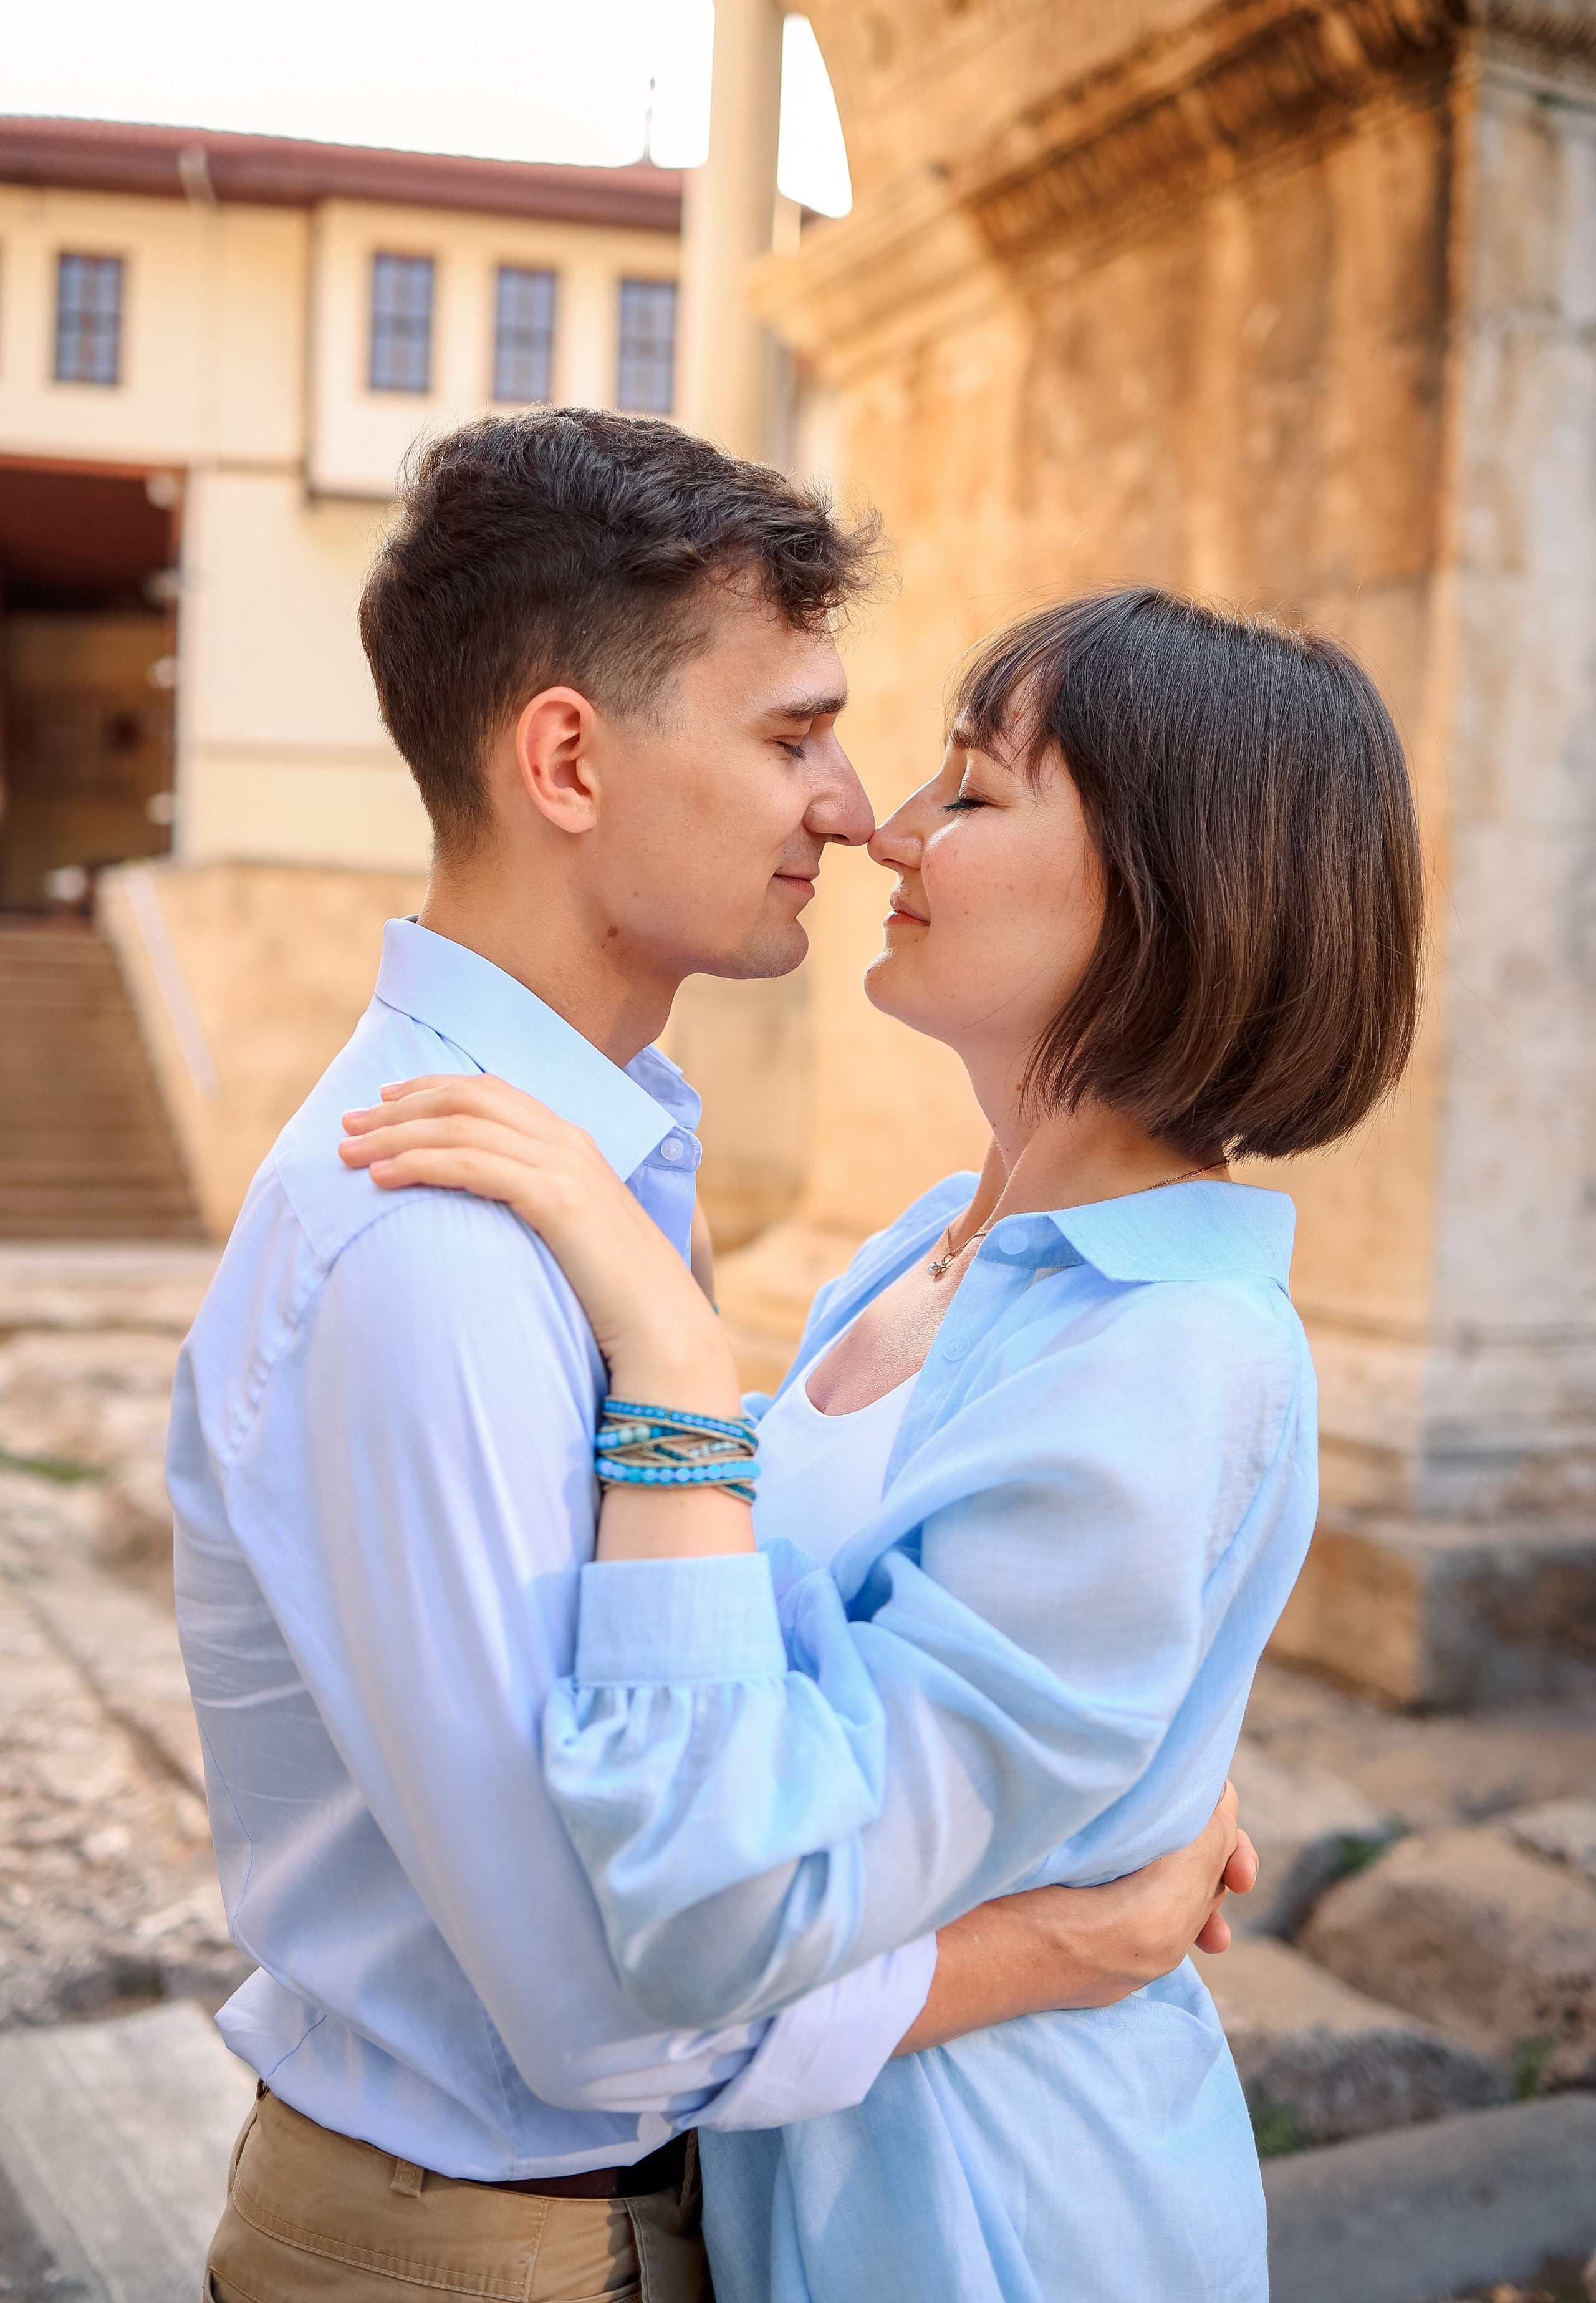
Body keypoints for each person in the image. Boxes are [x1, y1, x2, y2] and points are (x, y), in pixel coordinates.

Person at [171, 414, 1254, 2303]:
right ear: (570, 759)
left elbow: (772, 1684)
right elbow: (606, 2013)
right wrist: (1070, 1940)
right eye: (791, 736)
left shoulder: (580, 1174)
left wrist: (1110, 1770)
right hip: (486, 2251)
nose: (854, 808)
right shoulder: (438, 1244)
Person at [343, 585, 1425, 2302]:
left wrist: (675, 1353)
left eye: (977, 794)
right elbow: (759, 1689)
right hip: (819, 2190)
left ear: (1167, 889)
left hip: (995, 2220)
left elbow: (726, 1909)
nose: (890, 829)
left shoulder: (1170, 1359)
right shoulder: (935, 1242)